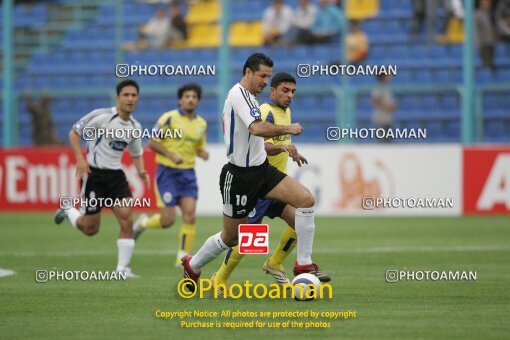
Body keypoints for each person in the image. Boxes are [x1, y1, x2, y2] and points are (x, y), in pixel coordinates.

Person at [181, 53, 328, 292]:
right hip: (238, 177)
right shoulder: (238, 96)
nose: (265, 81)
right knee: (233, 238)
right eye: (262, 76)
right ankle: (193, 264)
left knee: (306, 200)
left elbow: (257, 139)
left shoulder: (250, 98)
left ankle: (302, 264)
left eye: (269, 76)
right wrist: (288, 129)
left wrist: (283, 145)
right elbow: (258, 129)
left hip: (263, 172)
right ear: (247, 72)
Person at [54, 80, 150, 278]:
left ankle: (122, 269)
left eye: (134, 95)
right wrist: (80, 158)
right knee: (90, 229)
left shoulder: (135, 126)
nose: (130, 99)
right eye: (126, 95)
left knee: (126, 220)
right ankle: (67, 210)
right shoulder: (102, 117)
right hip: (94, 176)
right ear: (117, 98)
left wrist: (142, 172)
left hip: (116, 176)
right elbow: (74, 132)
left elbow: (136, 152)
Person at [133, 83, 209, 266]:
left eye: (193, 97)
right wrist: (170, 154)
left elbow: (198, 147)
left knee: (190, 215)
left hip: (188, 174)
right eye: (187, 96)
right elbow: (151, 142)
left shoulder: (201, 124)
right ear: (180, 100)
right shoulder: (169, 118)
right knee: (167, 220)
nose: (190, 99)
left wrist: (202, 153)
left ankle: (182, 256)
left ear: (198, 101)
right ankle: (143, 223)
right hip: (167, 173)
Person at [371, 74, 397, 143]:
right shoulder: (378, 88)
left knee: (389, 142)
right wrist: (388, 106)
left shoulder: (387, 88)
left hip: (388, 119)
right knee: (382, 142)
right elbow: (375, 102)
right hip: (380, 119)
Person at [475, 0, 496, 70]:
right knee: (486, 65)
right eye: (486, 3)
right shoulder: (477, 15)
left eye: (488, 3)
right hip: (483, 44)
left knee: (491, 64)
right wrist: (478, 44)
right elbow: (476, 30)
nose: (488, 5)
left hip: (491, 43)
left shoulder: (490, 14)